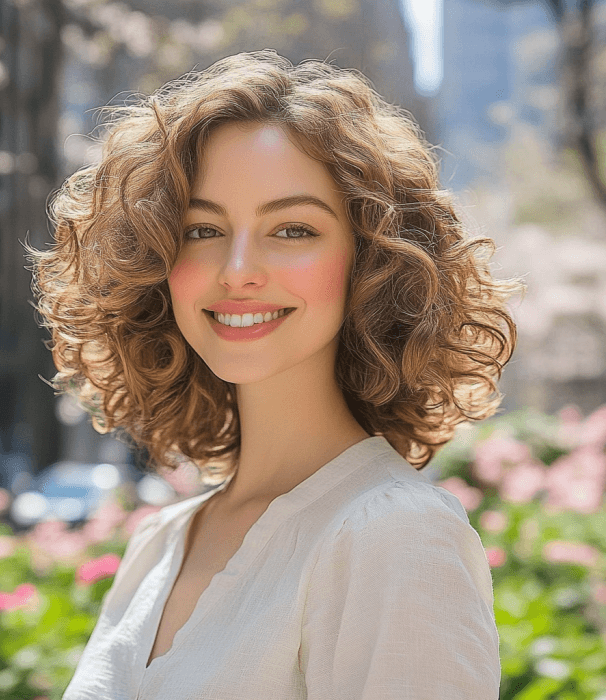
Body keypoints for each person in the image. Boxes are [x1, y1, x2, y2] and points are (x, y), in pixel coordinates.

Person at [26, 49, 524, 699]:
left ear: (370, 260)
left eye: (291, 229)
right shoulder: (160, 540)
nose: (237, 268)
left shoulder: (393, 537)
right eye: (202, 228)